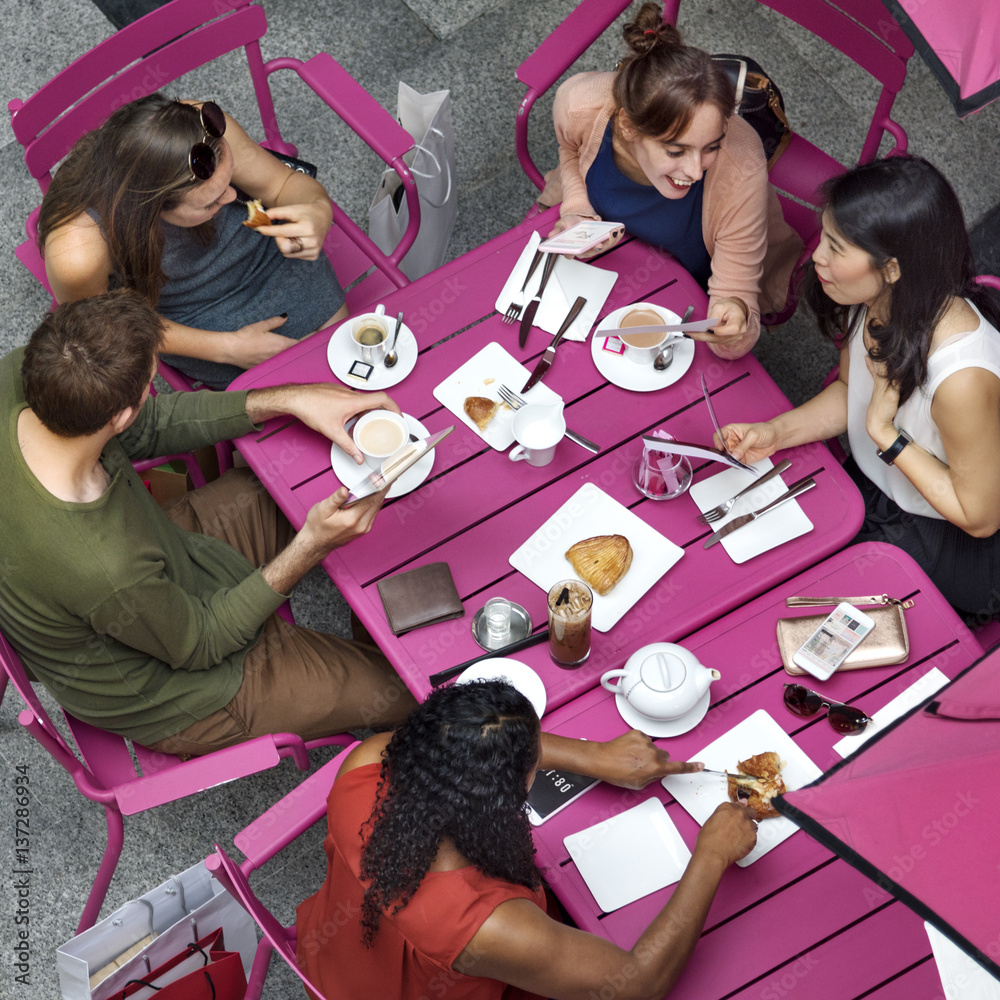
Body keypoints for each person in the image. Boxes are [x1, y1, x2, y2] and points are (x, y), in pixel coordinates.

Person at [0, 290, 417, 755]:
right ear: (117, 416)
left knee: (305, 479)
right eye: (149, 386)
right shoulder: (106, 567)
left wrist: (289, 400)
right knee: (409, 689)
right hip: (185, 686)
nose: (151, 394)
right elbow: (202, 642)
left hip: (163, 562)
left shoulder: (25, 372)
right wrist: (309, 548)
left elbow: (150, 424)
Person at [296, 680, 758, 1000]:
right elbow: (639, 984)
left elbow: (471, 740)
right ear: (497, 798)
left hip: (334, 954)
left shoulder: (369, 762)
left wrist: (594, 756)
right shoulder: (488, 927)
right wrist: (712, 855)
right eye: (532, 767)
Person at [716, 156, 1000, 620]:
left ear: (891, 268)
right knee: (754, 559)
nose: (817, 257)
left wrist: (883, 432)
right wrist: (776, 432)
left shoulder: (962, 378)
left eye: (835, 246)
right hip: (880, 486)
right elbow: (852, 388)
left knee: (787, 606)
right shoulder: (871, 298)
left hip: (950, 539)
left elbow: (980, 515)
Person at [537, 2, 802, 359]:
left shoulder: (741, 168)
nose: (695, 172)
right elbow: (568, 148)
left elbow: (737, 297)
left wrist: (733, 321)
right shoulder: (578, 105)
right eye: (676, 151)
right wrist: (576, 205)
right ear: (629, 128)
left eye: (712, 146)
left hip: (689, 287)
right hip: (600, 270)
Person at [38, 94, 346, 389]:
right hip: (191, 314)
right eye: (210, 203)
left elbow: (282, 184)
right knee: (294, 401)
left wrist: (316, 212)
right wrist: (228, 349)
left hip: (266, 257)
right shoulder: (77, 251)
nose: (233, 198)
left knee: (346, 356)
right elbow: (108, 325)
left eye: (230, 181)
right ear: (152, 208)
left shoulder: (196, 127)